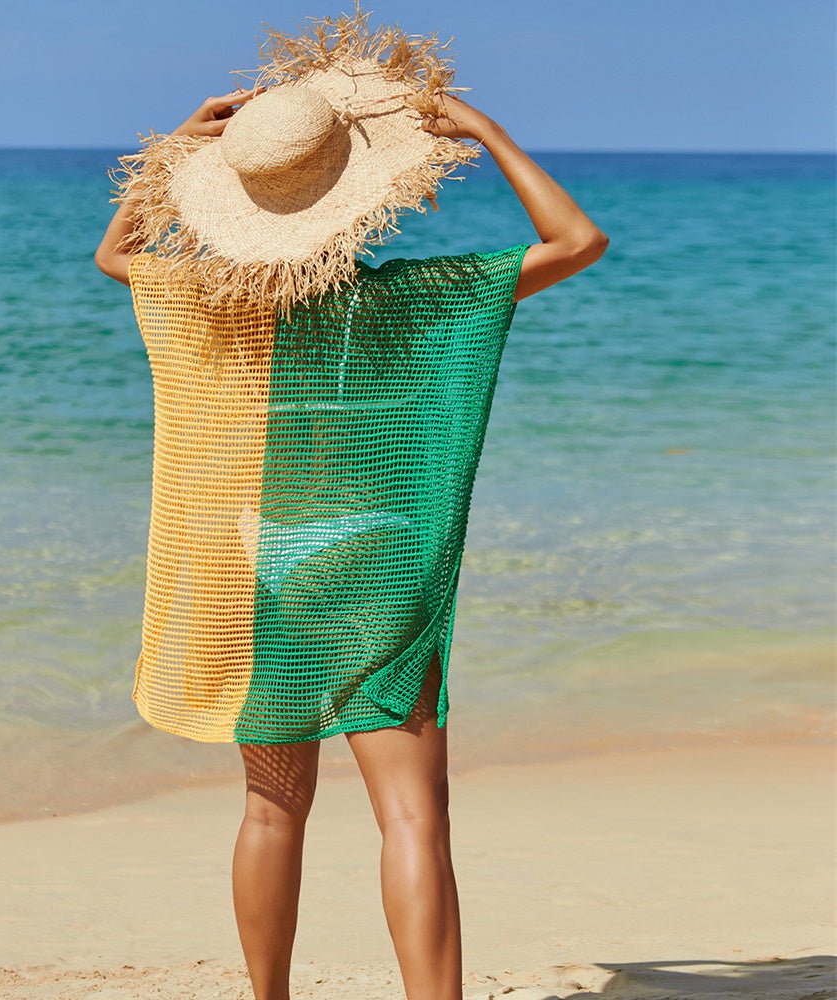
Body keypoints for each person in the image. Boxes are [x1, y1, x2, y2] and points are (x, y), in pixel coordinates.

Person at [96, 9, 607, 1000]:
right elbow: (577, 239)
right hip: (374, 570)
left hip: (258, 567)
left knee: (269, 810)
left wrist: (175, 151)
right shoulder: (416, 301)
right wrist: (488, 134)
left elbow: (116, 258)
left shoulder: (211, 304)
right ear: (358, 199)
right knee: (413, 818)